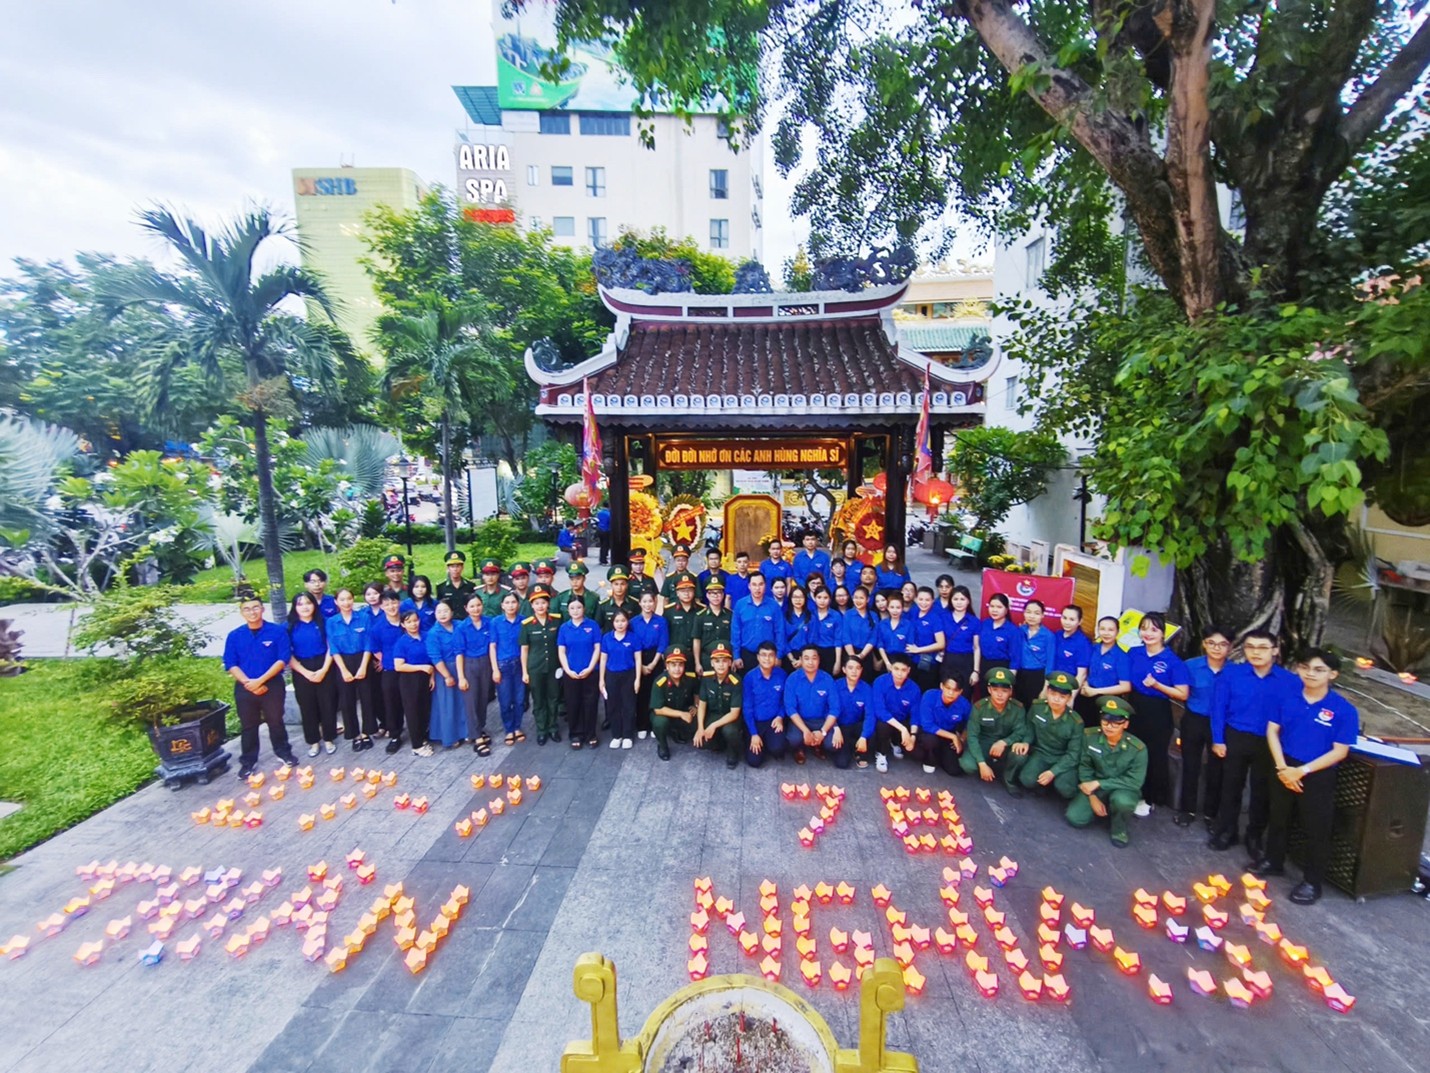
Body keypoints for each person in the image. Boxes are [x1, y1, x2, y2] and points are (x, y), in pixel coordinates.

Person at [1252, 648, 1360, 905]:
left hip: (1317, 773)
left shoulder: (1344, 710)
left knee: (1316, 828)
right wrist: (1282, 768)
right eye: (1305, 667)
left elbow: (1340, 751)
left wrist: (1301, 771)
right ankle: (1273, 860)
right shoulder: (1287, 698)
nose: (1310, 674)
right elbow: (1272, 731)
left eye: (1319, 669)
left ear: (1333, 674)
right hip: (1283, 764)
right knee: (1278, 817)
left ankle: (1312, 882)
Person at [1207, 628, 1298, 856]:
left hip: (1269, 742)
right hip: (1236, 735)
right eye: (1250, 647)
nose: (1255, 652)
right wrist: (1218, 739)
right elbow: (1218, 708)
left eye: (1262, 648)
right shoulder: (1231, 674)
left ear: (1275, 650)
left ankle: (1254, 835)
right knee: (1230, 786)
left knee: (1261, 791)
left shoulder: (1290, 681)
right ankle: (1227, 830)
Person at [223, 597, 298, 778]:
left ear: (263, 609)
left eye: (255, 607)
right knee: (248, 725)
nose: (252, 612)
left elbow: (282, 659)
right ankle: (248, 762)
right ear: (242, 612)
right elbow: (231, 663)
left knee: (275, 720)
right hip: (245, 686)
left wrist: (260, 681)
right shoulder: (235, 635)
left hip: (272, 684)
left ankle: (283, 752)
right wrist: (249, 684)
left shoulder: (277, 632)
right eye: (247, 609)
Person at [1126, 612, 1190, 813]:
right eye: (1144, 628)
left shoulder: (1173, 661)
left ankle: (1149, 798)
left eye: (1154, 629)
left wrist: (1157, 685)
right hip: (1134, 706)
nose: (1148, 633)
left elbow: (1183, 694)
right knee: (1131, 750)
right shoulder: (1134, 652)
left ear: (1163, 633)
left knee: (1153, 755)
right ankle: (1130, 791)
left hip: (1158, 711)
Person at [1066, 697, 1147, 847]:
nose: (1109, 727)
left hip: (1122, 788)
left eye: (1116, 723)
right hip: (1095, 788)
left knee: (1122, 802)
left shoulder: (1138, 748)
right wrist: (1092, 796)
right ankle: (1102, 808)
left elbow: (1134, 781)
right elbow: (1085, 766)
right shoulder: (1090, 737)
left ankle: (1119, 830)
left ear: (1126, 724)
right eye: (1105, 722)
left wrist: (1099, 783)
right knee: (1075, 818)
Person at [1176, 626, 1230, 828]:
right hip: (1194, 720)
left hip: (1222, 724)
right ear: (1204, 644)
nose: (1216, 648)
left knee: (1217, 769)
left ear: (1230, 647)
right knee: (1191, 766)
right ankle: (1187, 810)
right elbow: (1182, 692)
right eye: (1211, 643)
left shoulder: (1235, 671)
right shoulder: (1190, 666)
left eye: (1222, 644)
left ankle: (1211, 814)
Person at [958, 666, 1030, 791]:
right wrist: (981, 763)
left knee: (1020, 755)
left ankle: (1008, 778)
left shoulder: (1018, 708)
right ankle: (986, 765)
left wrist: (1004, 742)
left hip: (1005, 745)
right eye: (995, 690)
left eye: (1004, 691)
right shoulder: (979, 707)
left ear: (1010, 691)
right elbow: (972, 736)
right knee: (968, 765)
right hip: (984, 743)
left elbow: (1020, 731)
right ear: (989, 690)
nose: (999, 694)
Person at [1016, 671, 1084, 799]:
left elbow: (1073, 754)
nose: (1056, 700)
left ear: (1069, 698)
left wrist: (1053, 772)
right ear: (1047, 692)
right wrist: (1025, 741)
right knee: (1026, 780)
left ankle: (1056, 782)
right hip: (1041, 754)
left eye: (1062, 696)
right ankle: (1045, 781)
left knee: (1065, 789)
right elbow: (1030, 729)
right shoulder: (1037, 707)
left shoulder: (1076, 722)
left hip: (1062, 758)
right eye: (1053, 694)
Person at [287, 592, 337, 757]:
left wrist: (324, 669)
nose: (305, 607)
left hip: (324, 664)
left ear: (314, 605)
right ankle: (313, 741)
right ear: (295, 607)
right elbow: (287, 654)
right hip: (301, 668)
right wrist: (306, 673)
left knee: (327, 703)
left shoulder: (324, 622)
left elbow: (331, 647)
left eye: (308, 603)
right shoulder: (289, 626)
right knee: (307, 706)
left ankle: (329, 738)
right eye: (300, 604)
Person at [329, 588, 377, 752]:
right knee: (347, 701)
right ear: (336, 602)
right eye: (342, 600)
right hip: (343, 662)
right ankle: (354, 735)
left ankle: (366, 732)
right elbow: (333, 647)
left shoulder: (363, 617)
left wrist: (363, 666)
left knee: (367, 698)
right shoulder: (332, 622)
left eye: (349, 599)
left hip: (363, 659)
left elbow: (368, 643)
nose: (346, 603)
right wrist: (343, 670)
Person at [557, 595, 602, 750]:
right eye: (572, 608)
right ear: (568, 610)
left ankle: (591, 734)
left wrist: (590, 667)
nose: (575, 611)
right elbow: (561, 651)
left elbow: (597, 648)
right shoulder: (564, 628)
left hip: (591, 671)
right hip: (571, 673)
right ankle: (575, 734)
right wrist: (567, 670)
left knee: (591, 703)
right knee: (573, 703)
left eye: (578, 607)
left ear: (584, 608)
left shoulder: (593, 625)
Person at [520, 585, 562, 746]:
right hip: (535, 667)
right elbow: (524, 650)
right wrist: (525, 672)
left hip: (553, 666)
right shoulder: (527, 624)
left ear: (548, 603)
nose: (540, 606)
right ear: (531, 605)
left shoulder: (556, 620)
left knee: (553, 697)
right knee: (538, 699)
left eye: (543, 602)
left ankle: (553, 727)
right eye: (536, 603)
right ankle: (541, 730)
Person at [783, 644, 839, 763]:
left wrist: (823, 732)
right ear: (800, 660)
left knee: (832, 745)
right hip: (801, 720)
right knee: (793, 740)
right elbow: (790, 708)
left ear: (819, 660)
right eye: (806, 658)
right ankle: (799, 748)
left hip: (821, 720)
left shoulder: (827, 679)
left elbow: (834, 708)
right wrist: (805, 730)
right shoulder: (792, 679)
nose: (810, 662)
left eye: (814, 658)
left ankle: (818, 744)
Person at [368, 589, 408, 754]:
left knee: (413, 701)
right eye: (387, 604)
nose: (391, 606)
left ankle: (420, 731)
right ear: (382, 606)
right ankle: (395, 735)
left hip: (410, 668)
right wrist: (384, 661)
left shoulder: (408, 621)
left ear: (399, 603)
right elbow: (375, 649)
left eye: (394, 602)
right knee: (391, 703)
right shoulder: (378, 628)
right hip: (390, 669)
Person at [456, 593, 496, 756]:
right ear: (466, 608)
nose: (476, 609)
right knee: (471, 701)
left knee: (483, 699)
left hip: (486, 663)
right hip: (470, 665)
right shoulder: (462, 628)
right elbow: (459, 653)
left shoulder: (489, 623)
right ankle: (476, 737)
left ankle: (480, 728)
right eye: (472, 606)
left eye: (478, 605)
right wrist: (461, 677)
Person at [392, 609, 434, 757]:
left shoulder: (427, 636)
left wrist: (431, 676)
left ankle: (423, 738)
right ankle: (416, 745)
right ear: (403, 624)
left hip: (426, 677)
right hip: (409, 680)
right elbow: (399, 666)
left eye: (415, 620)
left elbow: (432, 658)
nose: (413, 624)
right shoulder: (402, 642)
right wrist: (422, 668)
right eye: (408, 622)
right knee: (413, 712)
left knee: (424, 710)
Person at [695, 643, 744, 768]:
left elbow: (734, 713)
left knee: (729, 731)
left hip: (730, 718)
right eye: (717, 661)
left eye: (724, 661)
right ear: (712, 663)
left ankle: (733, 752)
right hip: (714, 715)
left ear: (730, 663)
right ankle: (719, 743)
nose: (721, 665)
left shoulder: (736, 681)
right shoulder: (706, 679)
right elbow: (702, 705)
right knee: (703, 742)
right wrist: (700, 728)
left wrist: (713, 726)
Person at [871, 654, 922, 772]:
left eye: (903, 670)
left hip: (902, 720)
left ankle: (895, 742)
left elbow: (915, 715)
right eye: (896, 669)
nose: (899, 673)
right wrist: (902, 729)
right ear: (891, 668)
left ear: (909, 670)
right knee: (882, 726)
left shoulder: (914, 688)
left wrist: (913, 736)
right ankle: (881, 753)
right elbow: (880, 710)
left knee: (916, 751)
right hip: (886, 720)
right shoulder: (880, 682)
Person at [649, 644, 701, 761]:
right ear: (667, 666)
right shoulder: (660, 682)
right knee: (660, 723)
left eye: (680, 665)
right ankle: (662, 745)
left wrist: (696, 706)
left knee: (699, 722)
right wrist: (681, 714)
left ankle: (677, 732)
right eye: (673, 665)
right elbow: (658, 709)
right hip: (664, 714)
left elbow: (697, 693)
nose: (677, 669)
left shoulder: (690, 678)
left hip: (683, 709)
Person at [1077, 616, 1131, 727]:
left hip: (1108, 701)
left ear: (1117, 632)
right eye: (1102, 629)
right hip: (1086, 694)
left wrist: (1096, 691)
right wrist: (1085, 684)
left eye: (1110, 630)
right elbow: (1084, 669)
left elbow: (1126, 687)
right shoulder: (1092, 648)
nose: (1106, 633)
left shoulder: (1122, 657)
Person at [426, 600, 465, 748]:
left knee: (462, 702)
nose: (442, 614)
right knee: (447, 704)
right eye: (439, 612)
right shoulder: (433, 633)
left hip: (461, 666)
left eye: (445, 611)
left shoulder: (459, 625)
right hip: (445, 670)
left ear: (452, 612)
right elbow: (435, 657)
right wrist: (447, 676)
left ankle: (465, 732)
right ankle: (449, 736)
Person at [742, 641, 789, 767]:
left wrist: (780, 716)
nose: (767, 659)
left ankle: (769, 742)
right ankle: (755, 740)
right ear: (758, 657)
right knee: (754, 762)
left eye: (771, 655)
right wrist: (754, 733)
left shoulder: (782, 675)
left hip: (773, 721)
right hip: (755, 722)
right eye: (763, 655)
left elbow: (785, 700)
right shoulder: (749, 678)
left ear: (775, 657)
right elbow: (747, 708)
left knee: (778, 749)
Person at [600, 608, 641, 749]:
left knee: (628, 706)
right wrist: (601, 680)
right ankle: (617, 735)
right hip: (611, 675)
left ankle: (628, 735)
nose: (620, 624)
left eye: (623, 621)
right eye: (617, 621)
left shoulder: (633, 638)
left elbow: (638, 659)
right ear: (613, 623)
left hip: (629, 675)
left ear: (628, 622)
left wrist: (637, 679)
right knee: (613, 706)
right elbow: (603, 659)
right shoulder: (607, 638)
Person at [914, 675, 969, 776]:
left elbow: (970, 724)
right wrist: (954, 737)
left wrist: (961, 739)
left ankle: (939, 755)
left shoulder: (964, 704)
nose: (951, 693)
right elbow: (927, 725)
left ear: (960, 691)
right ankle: (929, 758)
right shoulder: (930, 696)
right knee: (929, 743)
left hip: (947, 734)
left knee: (954, 770)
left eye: (955, 690)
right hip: (928, 733)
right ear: (941, 686)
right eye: (948, 688)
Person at [632, 591, 669, 739]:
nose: (647, 605)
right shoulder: (633, 622)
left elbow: (663, 643)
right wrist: (641, 666)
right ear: (639, 603)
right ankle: (642, 724)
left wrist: (653, 663)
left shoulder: (661, 621)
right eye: (644, 601)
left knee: (655, 692)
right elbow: (632, 644)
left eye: (650, 601)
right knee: (641, 693)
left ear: (655, 602)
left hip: (656, 658)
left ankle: (654, 724)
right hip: (639, 658)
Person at [492, 592, 525, 747]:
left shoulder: (524, 621)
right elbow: (492, 646)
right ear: (502, 605)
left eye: (513, 602)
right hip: (503, 665)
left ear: (518, 604)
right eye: (507, 602)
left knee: (519, 699)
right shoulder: (496, 622)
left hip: (519, 664)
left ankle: (517, 727)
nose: (510, 605)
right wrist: (495, 669)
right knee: (505, 701)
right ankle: (508, 729)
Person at [830, 655, 875, 769]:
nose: (854, 671)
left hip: (856, 725)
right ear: (844, 669)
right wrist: (835, 727)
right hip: (840, 726)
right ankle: (849, 747)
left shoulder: (866, 689)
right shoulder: (835, 686)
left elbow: (870, 715)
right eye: (850, 668)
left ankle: (859, 752)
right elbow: (828, 709)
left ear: (861, 670)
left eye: (857, 668)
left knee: (872, 731)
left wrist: (864, 736)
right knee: (841, 763)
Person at [731, 572, 780, 670]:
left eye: (760, 584)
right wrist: (736, 656)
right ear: (749, 586)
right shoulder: (740, 605)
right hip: (746, 655)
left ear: (765, 585)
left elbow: (779, 631)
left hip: (768, 656)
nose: (757, 588)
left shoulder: (774, 605)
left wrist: (778, 655)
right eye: (754, 585)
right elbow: (735, 632)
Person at [1014, 599, 1056, 710]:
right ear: (1024, 613)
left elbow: (1050, 663)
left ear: (1043, 615)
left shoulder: (1048, 636)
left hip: (1037, 677)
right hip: (1020, 675)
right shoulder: (1019, 631)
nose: (1031, 616)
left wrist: (1046, 687)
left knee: (1034, 709)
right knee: (1018, 707)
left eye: (1036, 613)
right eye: (1028, 612)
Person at [975, 594, 1023, 690]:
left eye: (999, 607)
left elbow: (1015, 657)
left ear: (1006, 609)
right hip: (984, 666)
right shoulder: (984, 624)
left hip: (1002, 668)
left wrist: (1010, 678)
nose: (994, 610)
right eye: (992, 606)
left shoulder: (1013, 630)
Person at [908, 587, 947, 693]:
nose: (924, 603)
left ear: (933, 601)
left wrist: (918, 650)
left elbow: (941, 644)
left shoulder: (935, 618)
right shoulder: (913, 611)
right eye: (921, 599)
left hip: (928, 663)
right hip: (912, 661)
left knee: (925, 691)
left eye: (927, 600)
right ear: (916, 599)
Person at [942, 585, 980, 689]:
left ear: (968, 601)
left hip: (966, 661)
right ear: (951, 601)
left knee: (965, 692)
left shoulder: (974, 621)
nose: (959, 602)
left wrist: (976, 671)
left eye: (962, 599)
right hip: (947, 660)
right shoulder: (943, 618)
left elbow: (976, 647)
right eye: (955, 599)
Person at [693, 580, 732, 672]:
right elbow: (696, 640)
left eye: (718, 593)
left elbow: (734, 639)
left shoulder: (730, 615)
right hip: (707, 658)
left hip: (726, 659)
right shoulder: (700, 616)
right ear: (707, 595)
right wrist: (697, 663)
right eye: (712, 593)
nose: (715, 596)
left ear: (723, 595)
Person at [842, 586, 879, 681]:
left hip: (866, 654)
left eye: (861, 598)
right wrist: (853, 657)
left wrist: (862, 655)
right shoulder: (848, 614)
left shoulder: (873, 616)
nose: (858, 600)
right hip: (850, 653)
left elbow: (873, 638)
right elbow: (846, 636)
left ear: (867, 599)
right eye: (855, 597)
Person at [1052, 605, 1092, 691]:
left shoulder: (1083, 643)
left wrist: (1071, 695)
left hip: (1068, 687)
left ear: (1080, 621)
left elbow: (1082, 674)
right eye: (1064, 618)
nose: (1067, 622)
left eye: (1072, 619)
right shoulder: (1057, 635)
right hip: (1053, 682)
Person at [807, 586, 843, 676]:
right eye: (819, 597)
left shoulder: (836, 616)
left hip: (829, 652)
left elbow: (838, 640)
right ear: (814, 598)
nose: (822, 601)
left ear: (830, 599)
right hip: (813, 651)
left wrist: (838, 661)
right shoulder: (810, 614)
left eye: (825, 598)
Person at [875, 593, 913, 672]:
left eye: (898, 607)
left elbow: (909, 647)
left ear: (902, 608)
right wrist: (887, 663)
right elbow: (880, 645)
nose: (895, 611)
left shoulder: (908, 625)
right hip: (886, 660)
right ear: (888, 608)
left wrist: (899, 666)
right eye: (892, 607)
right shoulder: (882, 624)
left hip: (902, 662)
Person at [435, 551, 477, 619]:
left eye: (458, 566)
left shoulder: (470, 585)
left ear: (462, 567)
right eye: (452, 566)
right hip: (450, 621)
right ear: (448, 568)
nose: (455, 569)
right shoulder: (441, 587)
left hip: (466, 620)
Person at [598, 565, 640, 631]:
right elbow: (598, 627)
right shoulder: (603, 605)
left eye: (622, 584)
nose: (619, 588)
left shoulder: (634, 604)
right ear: (611, 585)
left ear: (627, 585)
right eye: (616, 584)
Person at [660, 544, 699, 611]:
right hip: (673, 611)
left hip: (690, 610)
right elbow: (666, 599)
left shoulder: (694, 577)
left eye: (683, 560)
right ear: (674, 561)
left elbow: (697, 599)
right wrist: (665, 613)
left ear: (687, 562)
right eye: (678, 560)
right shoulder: (669, 578)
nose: (680, 563)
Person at [782, 585, 812, 670]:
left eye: (801, 597)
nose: (798, 600)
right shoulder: (784, 617)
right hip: (788, 656)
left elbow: (812, 639)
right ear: (790, 599)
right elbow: (782, 639)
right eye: (795, 597)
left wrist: (803, 659)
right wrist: (792, 659)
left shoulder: (811, 617)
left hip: (806, 657)